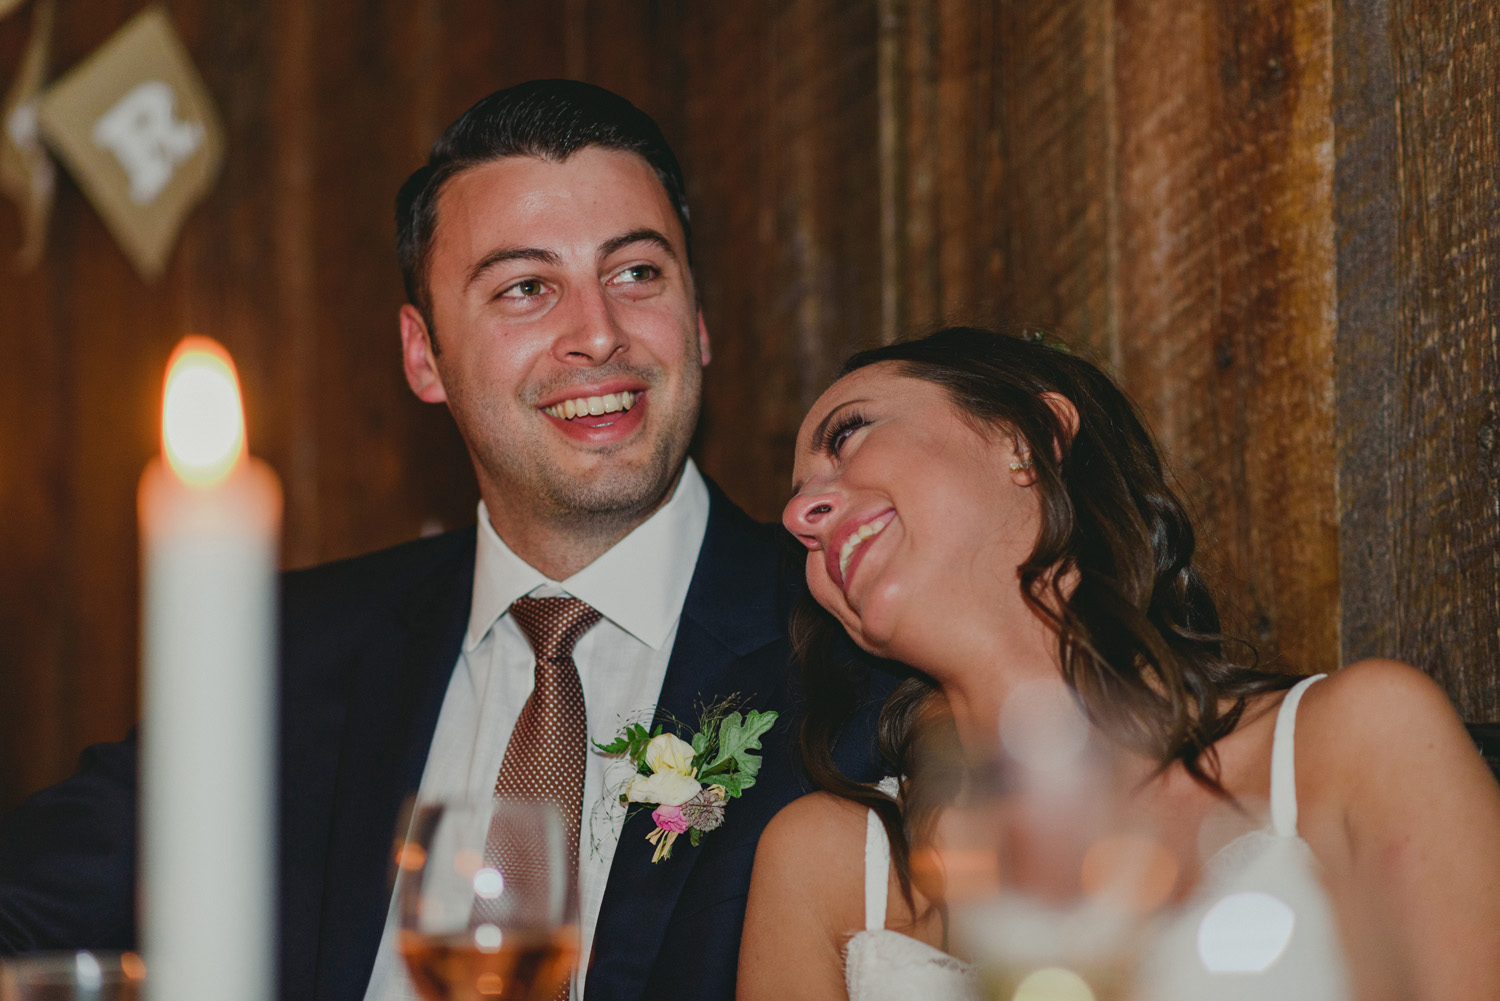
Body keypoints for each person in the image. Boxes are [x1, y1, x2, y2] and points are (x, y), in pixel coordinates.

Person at [0, 80, 889, 1001]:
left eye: (636, 273)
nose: (597, 332)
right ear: (423, 356)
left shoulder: (847, 655)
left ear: (697, 321)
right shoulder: (286, 654)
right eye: (527, 287)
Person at [739, 326, 1500, 1001]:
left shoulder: (1360, 739)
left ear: (1025, 435)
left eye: (848, 434)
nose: (802, 515)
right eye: (800, 497)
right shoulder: (824, 864)